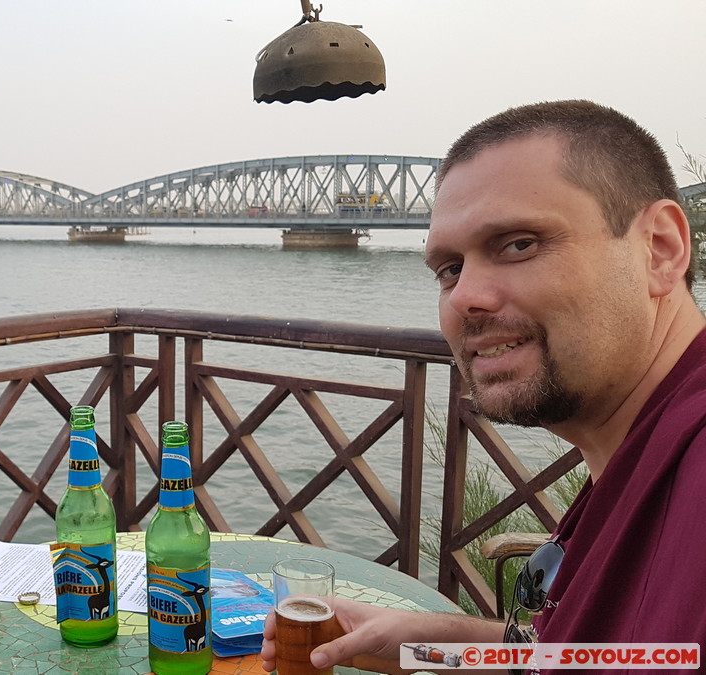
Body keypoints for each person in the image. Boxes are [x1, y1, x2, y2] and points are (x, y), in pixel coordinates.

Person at [262, 99, 706, 673]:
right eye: (449, 269)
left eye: (519, 244)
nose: (466, 297)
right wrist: (425, 646)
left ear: (661, 249)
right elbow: (610, 655)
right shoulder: (638, 452)